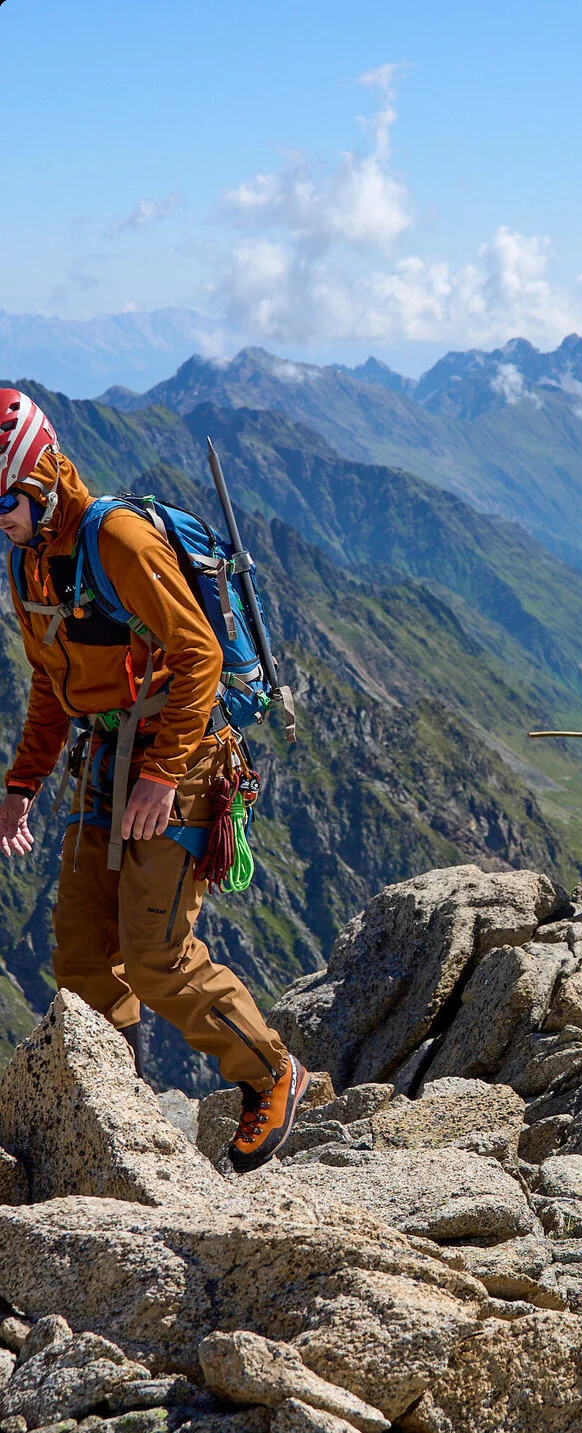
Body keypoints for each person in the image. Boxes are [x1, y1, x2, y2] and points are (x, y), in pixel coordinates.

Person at [0, 390, 306, 1173]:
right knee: (78, 953)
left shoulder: (118, 540)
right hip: (103, 757)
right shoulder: (26, 561)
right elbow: (48, 679)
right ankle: (122, 1111)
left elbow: (198, 654)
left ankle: (272, 1071)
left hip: (185, 751)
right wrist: (22, 784)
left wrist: (164, 774)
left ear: (39, 478)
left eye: (4, 501)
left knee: (155, 952)